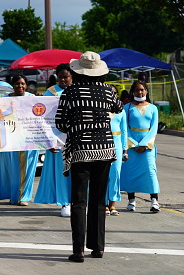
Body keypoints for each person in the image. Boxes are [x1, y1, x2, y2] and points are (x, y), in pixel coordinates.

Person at [55, 51, 123, 262]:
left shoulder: (70, 92)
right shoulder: (108, 91)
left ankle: (78, 251)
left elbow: (60, 123)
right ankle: (98, 247)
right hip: (104, 150)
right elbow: (118, 109)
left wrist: (77, 126)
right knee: (98, 200)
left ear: (78, 71)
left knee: (78, 201)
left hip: (80, 151)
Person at [34, 63, 73, 217]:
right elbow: (43, 119)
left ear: (72, 77)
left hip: (74, 137)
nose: (63, 80)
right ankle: (64, 202)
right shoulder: (50, 93)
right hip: (56, 138)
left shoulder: (77, 91)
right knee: (62, 171)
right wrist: (48, 141)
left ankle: (77, 201)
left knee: (76, 171)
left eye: (66, 77)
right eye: (61, 77)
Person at [0, 74, 39, 207]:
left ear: (26, 85)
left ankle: (24, 196)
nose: (20, 86)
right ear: (12, 85)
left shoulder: (32, 98)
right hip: (10, 138)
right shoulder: (4, 100)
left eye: (22, 84)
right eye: (17, 83)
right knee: (11, 168)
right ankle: (14, 196)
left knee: (27, 167)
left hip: (28, 138)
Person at [120, 80, 161, 213]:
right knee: (130, 173)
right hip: (131, 145)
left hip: (147, 145)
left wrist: (144, 144)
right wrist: (133, 143)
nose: (140, 92)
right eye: (137, 90)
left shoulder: (153, 108)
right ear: (133, 92)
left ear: (146, 91)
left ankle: (154, 201)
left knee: (150, 171)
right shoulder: (127, 107)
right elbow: (124, 128)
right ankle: (131, 201)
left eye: (142, 89)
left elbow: (154, 128)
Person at [105, 85, 128, 216]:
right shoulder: (100, 108)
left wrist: (125, 150)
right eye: (109, 93)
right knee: (103, 174)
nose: (112, 95)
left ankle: (112, 203)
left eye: (114, 93)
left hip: (117, 144)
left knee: (115, 174)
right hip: (103, 144)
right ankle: (102, 204)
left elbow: (124, 131)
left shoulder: (121, 110)